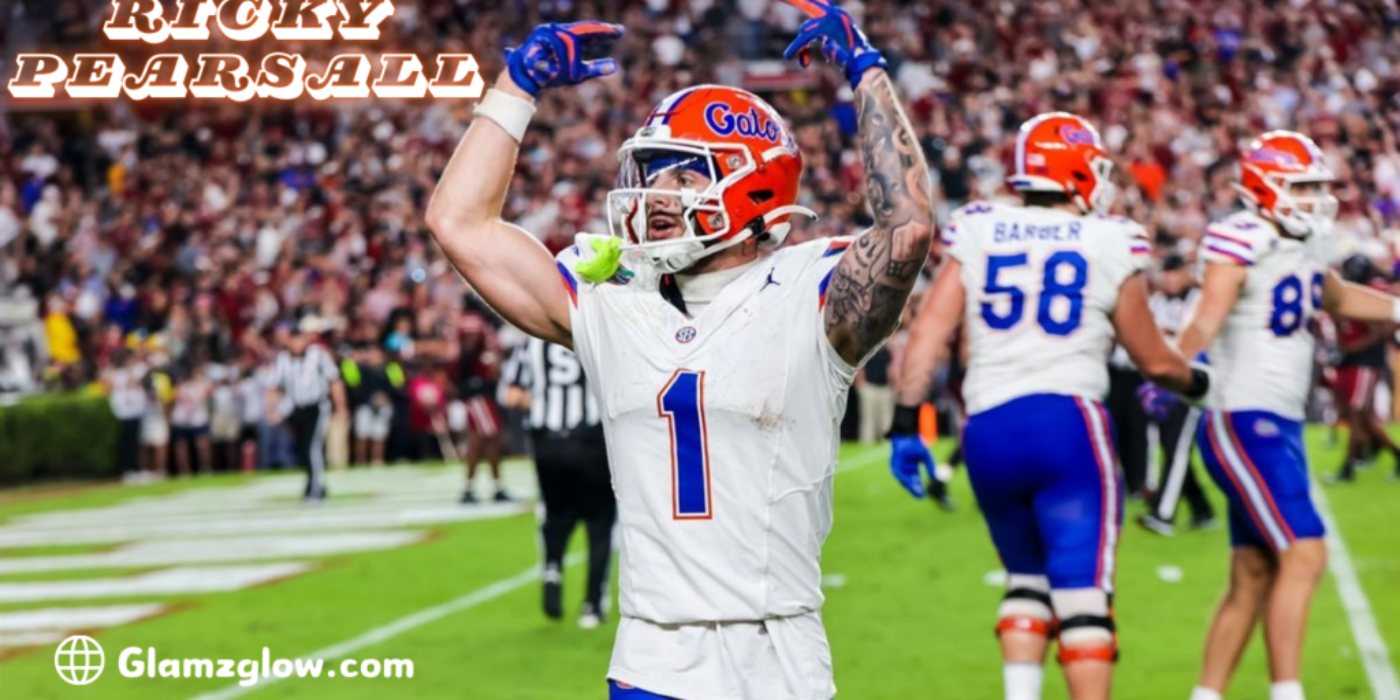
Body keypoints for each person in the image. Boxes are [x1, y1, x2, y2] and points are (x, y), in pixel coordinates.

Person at [424, 3, 934, 696]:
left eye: (686, 174)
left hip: (775, 653)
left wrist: (866, 69)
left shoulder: (807, 289)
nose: (658, 193)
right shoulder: (610, 295)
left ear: (755, 183)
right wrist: (516, 87)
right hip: (649, 658)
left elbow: (905, 231)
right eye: (653, 172)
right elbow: (458, 223)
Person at [887, 113, 1208, 700]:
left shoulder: (982, 225)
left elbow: (930, 330)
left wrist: (906, 420)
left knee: (1025, 579)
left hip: (987, 429)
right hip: (1067, 424)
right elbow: (1156, 361)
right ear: (1079, 170)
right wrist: (1202, 384)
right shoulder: (1111, 237)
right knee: (1084, 597)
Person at [1168, 131, 1400, 700]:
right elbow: (1207, 314)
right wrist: (1175, 366)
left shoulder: (1298, 243)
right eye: (1302, 186)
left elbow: (1338, 297)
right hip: (1244, 417)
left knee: (1252, 573)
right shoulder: (1241, 236)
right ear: (1263, 187)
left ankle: (1207, 693)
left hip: (1277, 421)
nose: (1315, 196)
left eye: (1317, 185)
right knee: (1304, 551)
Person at [504, 336, 616, 629]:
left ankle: (552, 567)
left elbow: (512, 396)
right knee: (600, 522)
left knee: (555, 516)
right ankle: (592, 604)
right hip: (589, 439)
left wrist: (543, 398)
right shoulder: (595, 334)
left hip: (547, 443)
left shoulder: (531, 342)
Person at [1138, 254, 1217, 535]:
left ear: (1186, 274)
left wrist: (1164, 335)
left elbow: (1198, 335)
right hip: (1163, 381)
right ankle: (1203, 510)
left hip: (1191, 381)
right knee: (1169, 445)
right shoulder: (1158, 301)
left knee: (1177, 449)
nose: (1171, 279)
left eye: (1176, 273)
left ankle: (1163, 514)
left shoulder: (1201, 298)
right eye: (1167, 274)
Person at [1324, 254, 1399, 483]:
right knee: (1359, 417)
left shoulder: (1367, 296)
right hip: (1351, 360)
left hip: (1366, 361)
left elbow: (1380, 330)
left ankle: (1347, 467)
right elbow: (1340, 324)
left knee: (1357, 416)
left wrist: (1351, 349)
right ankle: (1390, 454)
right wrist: (1341, 349)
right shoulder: (1344, 293)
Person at [267, 316, 348, 501]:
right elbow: (273, 387)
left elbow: (334, 381)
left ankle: (315, 488)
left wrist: (341, 406)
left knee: (313, 448)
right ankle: (316, 484)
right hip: (295, 409)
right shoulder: (283, 359)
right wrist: (272, 410)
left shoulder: (318, 355)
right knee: (303, 449)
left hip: (316, 407)